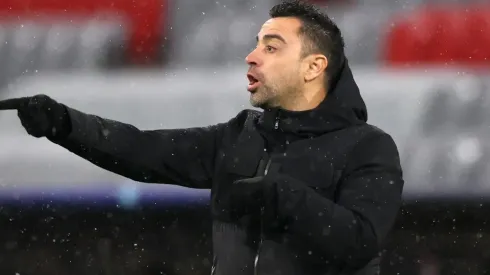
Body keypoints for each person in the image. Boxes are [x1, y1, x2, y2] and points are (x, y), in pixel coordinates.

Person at [0, 0, 404, 274]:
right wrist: (65, 124)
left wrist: (283, 196)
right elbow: (142, 150)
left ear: (314, 66)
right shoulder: (239, 136)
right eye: (256, 44)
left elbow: (360, 242)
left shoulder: (368, 146)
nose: (252, 55)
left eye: (272, 47)